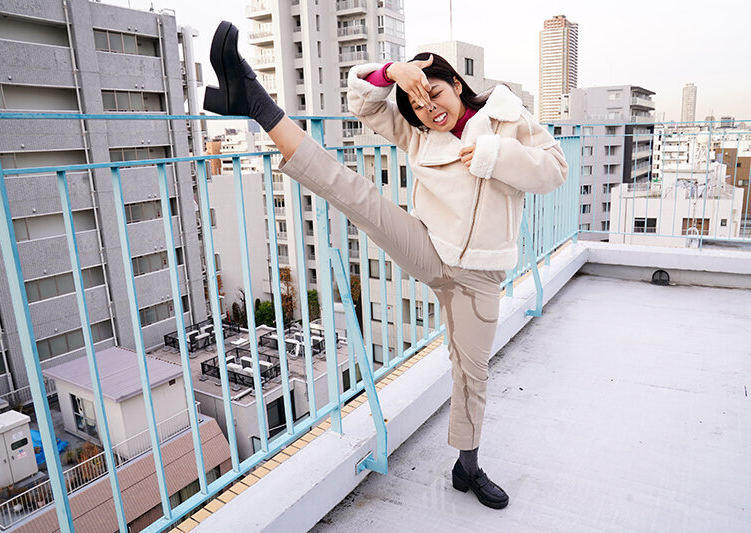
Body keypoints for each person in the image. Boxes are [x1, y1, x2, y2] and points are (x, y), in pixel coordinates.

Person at [204, 21, 568, 510]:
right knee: (359, 199)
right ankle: (255, 102)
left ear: (457, 83)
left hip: (481, 273)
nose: (430, 110)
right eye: (418, 106)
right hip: (430, 248)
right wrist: (393, 71)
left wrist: (492, 154)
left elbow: (555, 169)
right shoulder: (419, 134)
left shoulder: (506, 116)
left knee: (471, 373)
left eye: (434, 95)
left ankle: (468, 466)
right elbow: (367, 103)